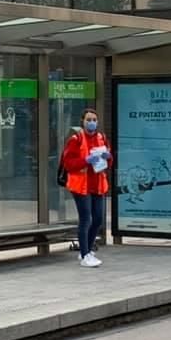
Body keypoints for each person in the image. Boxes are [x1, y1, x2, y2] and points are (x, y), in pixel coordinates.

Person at [62, 108, 112, 268]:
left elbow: (109, 162)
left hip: (97, 184)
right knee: (86, 219)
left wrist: (108, 158)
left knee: (97, 219)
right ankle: (84, 255)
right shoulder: (75, 139)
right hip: (80, 186)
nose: (92, 123)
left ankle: (88, 250)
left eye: (94, 120)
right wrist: (86, 160)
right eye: (88, 120)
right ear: (82, 122)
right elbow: (68, 164)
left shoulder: (101, 138)